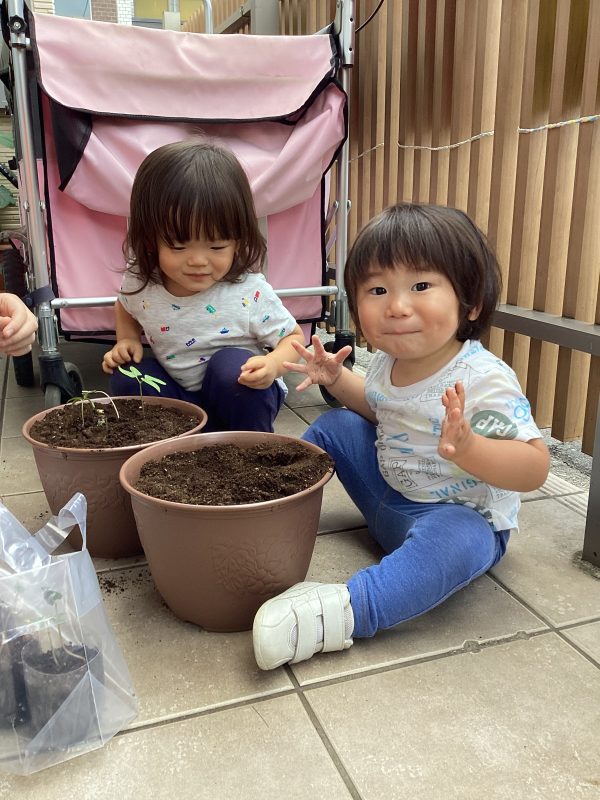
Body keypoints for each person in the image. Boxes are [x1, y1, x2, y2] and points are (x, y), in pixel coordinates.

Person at [252, 202, 550, 670]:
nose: (396, 305)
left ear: (469, 300)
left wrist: (472, 448)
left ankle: (346, 611)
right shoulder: (389, 363)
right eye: (377, 288)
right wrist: (335, 381)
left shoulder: (481, 380)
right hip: (387, 497)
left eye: (421, 285)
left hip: (451, 520)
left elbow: (534, 467)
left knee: (464, 536)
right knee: (337, 425)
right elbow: (380, 410)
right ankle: (263, 500)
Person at [102, 140, 304, 432]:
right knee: (128, 375)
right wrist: (127, 340)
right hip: (179, 402)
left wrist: (272, 365)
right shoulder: (143, 284)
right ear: (150, 240)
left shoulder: (249, 292)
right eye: (179, 246)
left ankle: (253, 451)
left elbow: (293, 339)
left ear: (238, 240)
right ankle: (170, 449)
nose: (198, 261)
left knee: (231, 367)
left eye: (216, 245)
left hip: (236, 399)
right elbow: (124, 306)